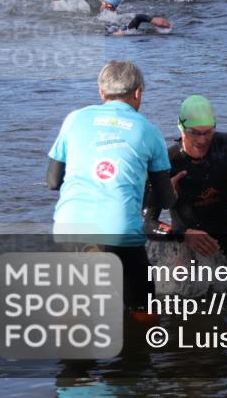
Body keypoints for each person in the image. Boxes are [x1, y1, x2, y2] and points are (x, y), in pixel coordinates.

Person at [47, 60, 177, 316]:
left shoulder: (74, 119)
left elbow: (52, 182)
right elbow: (165, 199)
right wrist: (171, 192)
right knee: (143, 310)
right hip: (119, 233)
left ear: (101, 92)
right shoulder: (149, 131)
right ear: (138, 92)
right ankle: (141, 338)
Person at [143, 96, 227, 293]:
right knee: (180, 297)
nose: (202, 140)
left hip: (226, 232)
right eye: (194, 133)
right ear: (181, 128)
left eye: (208, 132)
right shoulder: (166, 163)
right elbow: (145, 222)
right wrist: (182, 235)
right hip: (185, 241)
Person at [48, 0, 172, 35]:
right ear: (103, 2)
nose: (105, 8)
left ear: (113, 8)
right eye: (105, 4)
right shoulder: (96, 4)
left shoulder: (116, 17)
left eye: (109, 7)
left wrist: (151, 19)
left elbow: (138, 18)